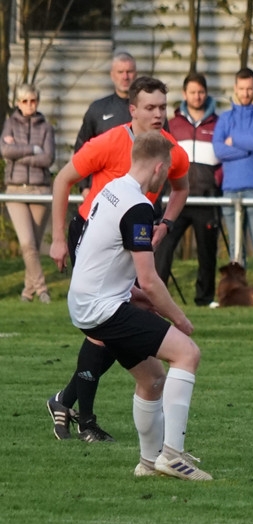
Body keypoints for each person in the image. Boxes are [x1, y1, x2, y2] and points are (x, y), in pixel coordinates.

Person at [47, 76, 191, 444]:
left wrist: (165, 225)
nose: (158, 114)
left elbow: (181, 187)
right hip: (97, 243)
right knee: (115, 328)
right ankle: (85, 417)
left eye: (163, 107)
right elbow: (63, 179)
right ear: (132, 110)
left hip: (123, 246)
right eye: (150, 107)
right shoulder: (110, 144)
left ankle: (69, 404)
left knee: (125, 339)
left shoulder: (159, 158)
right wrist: (59, 238)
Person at [69, 131, 211, 481]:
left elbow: (99, 258)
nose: (168, 178)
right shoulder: (138, 207)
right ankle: (172, 455)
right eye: (168, 170)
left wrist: (135, 296)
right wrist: (180, 319)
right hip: (103, 308)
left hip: (87, 303)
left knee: (152, 379)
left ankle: (148, 463)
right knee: (187, 353)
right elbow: (149, 279)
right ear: (159, 168)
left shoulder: (112, 188)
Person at [156, 72, 223, 307]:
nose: (197, 96)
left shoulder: (218, 124)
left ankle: (205, 298)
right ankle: (157, 297)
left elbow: (223, 159)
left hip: (206, 198)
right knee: (163, 246)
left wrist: (216, 179)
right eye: (193, 92)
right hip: (177, 197)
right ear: (185, 94)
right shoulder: (172, 125)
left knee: (207, 251)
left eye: (201, 92)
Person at [213, 67, 253, 294]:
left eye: (249, 88)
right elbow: (219, 150)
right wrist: (247, 148)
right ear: (235, 88)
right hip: (230, 188)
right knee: (236, 247)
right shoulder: (225, 117)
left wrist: (234, 140)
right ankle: (237, 293)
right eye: (241, 88)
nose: (245, 93)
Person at [1, 84, 55, 303]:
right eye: (25, 101)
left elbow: (48, 158)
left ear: (38, 102)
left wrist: (18, 154)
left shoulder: (47, 127)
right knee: (26, 243)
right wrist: (33, 149)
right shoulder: (10, 124)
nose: (29, 105)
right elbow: (5, 151)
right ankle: (42, 290)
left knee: (33, 244)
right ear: (18, 103)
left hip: (40, 190)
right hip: (15, 190)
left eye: (33, 100)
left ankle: (27, 292)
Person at [74, 51, 137, 192]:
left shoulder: (149, 109)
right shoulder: (98, 109)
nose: (125, 77)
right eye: (120, 72)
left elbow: (165, 152)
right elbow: (81, 147)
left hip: (140, 190)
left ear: (136, 74)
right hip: (102, 190)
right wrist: (84, 187)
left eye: (129, 72)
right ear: (112, 75)